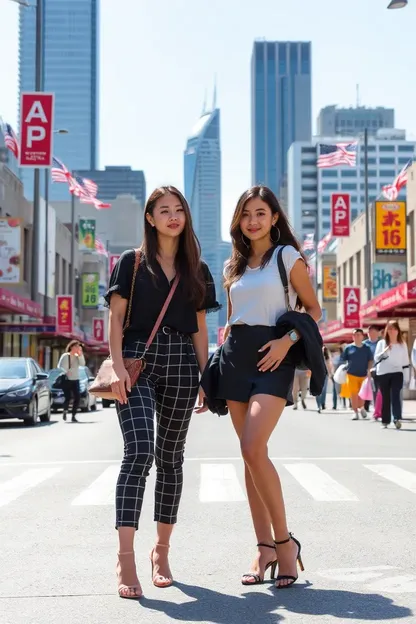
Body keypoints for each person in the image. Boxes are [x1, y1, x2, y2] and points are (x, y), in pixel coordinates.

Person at [105, 186, 219, 599]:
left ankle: (162, 551)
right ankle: (125, 556)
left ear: (185, 218)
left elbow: (202, 329)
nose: (173, 216)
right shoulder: (131, 264)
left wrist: (207, 377)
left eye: (179, 210)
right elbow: (116, 320)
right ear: (150, 219)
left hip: (183, 364)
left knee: (171, 458)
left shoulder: (198, 270)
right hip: (138, 360)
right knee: (139, 451)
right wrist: (117, 367)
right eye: (164, 211)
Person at [219, 186, 321, 589]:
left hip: (274, 356)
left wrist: (287, 342)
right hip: (235, 356)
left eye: (260, 213)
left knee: (252, 447)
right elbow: (231, 319)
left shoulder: (287, 257)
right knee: (249, 458)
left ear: (274, 218)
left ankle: (284, 544)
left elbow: (312, 310)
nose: (253, 220)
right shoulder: (235, 266)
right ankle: (262, 548)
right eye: (246, 214)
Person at [375, 321, 410, 429]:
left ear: (398, 331)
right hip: (383, 373)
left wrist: (407, 377)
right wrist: (384, 352)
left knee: (396, 395)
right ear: (386, 331)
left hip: (397, 372)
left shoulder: (402, 344)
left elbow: (405, 361)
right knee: (386, 397)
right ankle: (385, 421)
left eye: (394, 329)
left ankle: (397, 418)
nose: (392, 331)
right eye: (389, 329)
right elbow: (376, 358)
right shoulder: (381, 343)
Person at [340, 329, 373, 420]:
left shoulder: (367, 348)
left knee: (362, 395)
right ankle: (355, 412)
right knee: (353, 394)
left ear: (362, 336)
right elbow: (343, 359)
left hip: (363, 375)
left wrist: (369, 370)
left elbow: (370, 360)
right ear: (353, 337)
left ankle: (361, 408)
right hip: (351, 374)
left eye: (359, 335)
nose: (357, 336)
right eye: (355, 335)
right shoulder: (348, 348)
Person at [57, 340, 85, 422]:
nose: (78, 348)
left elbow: (82, 364)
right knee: (68, 397)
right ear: (71, 347)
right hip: (67, 379)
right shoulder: (65, 356)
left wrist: (80, 355)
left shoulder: (78, 356)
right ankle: (65, 411)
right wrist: (65, 371)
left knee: (77, 397)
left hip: (75, 379)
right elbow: (59, 366)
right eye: (76, 346)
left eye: (78, 347)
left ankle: (73, 415)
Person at [363, 325, 381, 411]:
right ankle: (365, 405)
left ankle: (376, 407)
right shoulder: (365, 344)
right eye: (369, 332)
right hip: (366, 370)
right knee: (367, 388)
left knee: (377, 389)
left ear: (378, 333)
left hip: (379, 370)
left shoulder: (381, 343)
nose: (371, 334)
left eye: (373, 332)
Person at [316, 347, 333, 412]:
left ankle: (323, 403)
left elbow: (329, 366)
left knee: (324, 390)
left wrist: (330, 374)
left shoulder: (326, 358)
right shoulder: (316, 357)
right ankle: (318, 406)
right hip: (317, 375)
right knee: (318, 390)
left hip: (325, 375)